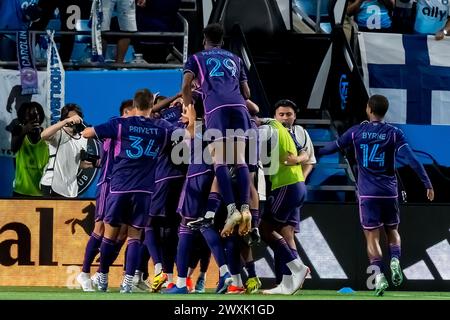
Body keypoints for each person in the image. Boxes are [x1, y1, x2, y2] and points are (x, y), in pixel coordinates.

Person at [318, 94, 434, 296]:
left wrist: (309, 152)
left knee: (372, 237)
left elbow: (331, 147)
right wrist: (427, 183)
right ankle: (395, 259)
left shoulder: (357, 132)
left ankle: (379, 276)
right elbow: (412, 160)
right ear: (384, 111)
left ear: (369, 109)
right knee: (392, 231)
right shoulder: (394, 133)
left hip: (368, 194)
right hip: (389, 192)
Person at [82, 89, 195, 293]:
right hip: (144, 190)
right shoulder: (161, 129)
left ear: (134, 105)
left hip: (119, 187)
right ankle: (127, 282)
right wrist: (192, 119)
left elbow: (87, 133)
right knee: (135, 236)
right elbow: (190, 134)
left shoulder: (120, 124)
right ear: (152, 105)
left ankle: (103, 276)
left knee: (109, 234)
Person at [181, 23, 253, 238]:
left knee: (219, 160)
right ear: (222, 40)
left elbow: (185, 87)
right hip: (239, 107)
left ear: (204, 39)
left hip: (217, 107)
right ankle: (245, 208)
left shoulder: (196, 58)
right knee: (240, 159)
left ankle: (232, 210)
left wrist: (189, 104)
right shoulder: (236, 59)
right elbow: (247, 93)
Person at [76, 99, 136, 292]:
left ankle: (101, 273)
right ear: (126, 112)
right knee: (101, 228)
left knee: (123, 232)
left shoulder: (132, 131)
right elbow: (90, 134)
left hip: (126, 184)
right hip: (108, 183)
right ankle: (84, 273)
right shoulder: (115, 123)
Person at [257, 117, 310, 295]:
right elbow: (304, 152)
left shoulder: (264, 130)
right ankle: (287, 283)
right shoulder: (279, 127)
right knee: (281, 233)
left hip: (285, 185)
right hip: (297, 184)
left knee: (265, 229)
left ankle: (297, 268)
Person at [40, 103, 90, 198]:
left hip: (71, 189)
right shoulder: (58, 133)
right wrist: (66, 121)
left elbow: (80, 164)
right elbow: (43, 135)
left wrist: (93, 164)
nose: (73, 121)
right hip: (52, 184)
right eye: (68, 118)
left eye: (75, 118)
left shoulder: (83, 137)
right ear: (63, 119)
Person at [8, 102, 49, 197]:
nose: (34, 118)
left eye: (36, 114)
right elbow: (13, 149)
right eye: (29, 115)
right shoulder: (18, 131)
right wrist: (24, 131)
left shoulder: (47, 134)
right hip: (21, 190)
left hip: (42, 191)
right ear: (23, 117)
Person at [273, 99, 316, 180]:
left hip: (296, 181)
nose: (285, 118)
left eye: (289, 114)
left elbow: (309, 161)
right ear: (275, 117)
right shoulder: (269, 133)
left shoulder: (300, 131)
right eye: (281, 114)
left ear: (294, 116)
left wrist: (302, 179)